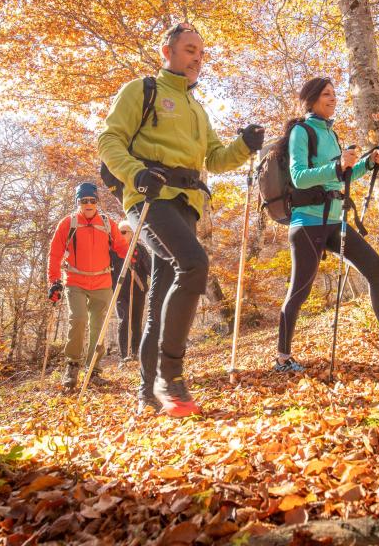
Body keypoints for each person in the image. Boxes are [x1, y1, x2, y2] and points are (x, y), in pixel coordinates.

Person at [98, 22, 264, 417]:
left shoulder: (197, 109)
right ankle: (170, 375)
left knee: (160, 298)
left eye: (201, 53)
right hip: (148, 198)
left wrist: (244, 145)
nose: (197, 58)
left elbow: (216, 159)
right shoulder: (142, 90)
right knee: (193, 264)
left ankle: (147, 393)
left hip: (187, 203)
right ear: (167, 51)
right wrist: (134, 172)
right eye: (190, 49)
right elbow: (109, 140)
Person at [277, 76, 379, 373]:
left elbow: (339, 178)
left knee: (376, 268)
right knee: (300, 290)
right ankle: (283, 358)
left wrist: (368, 163)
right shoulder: (302, 131)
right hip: (307, 221)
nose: (333, 98)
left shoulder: (331, 133)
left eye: (334, 94)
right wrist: (337, 165)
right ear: (311, 98)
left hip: (334, 220)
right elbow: (299, 176)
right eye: (326, 94)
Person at [47, 182, 129, 388]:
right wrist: (54, 281)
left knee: (98, 327)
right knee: (79, 319)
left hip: (102, 281)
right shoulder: (68, 223)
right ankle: (72, 365)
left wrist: (130, 252)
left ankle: (93, 369)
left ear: (97, 202)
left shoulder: (107, 223)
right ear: (78, 203)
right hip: (75, 280)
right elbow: (55, 254)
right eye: (84, 201)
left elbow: (121, 246)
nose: (89, 204)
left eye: (92, 200)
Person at [112, 219, 151, 364]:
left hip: (138, 290)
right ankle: (124, 356)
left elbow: (150, 268)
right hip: (119, 292)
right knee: (124, 320)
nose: (120, 235)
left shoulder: (140, 249)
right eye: (118, 232)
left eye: (123, 232)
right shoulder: (113, 249)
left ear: (131, 233)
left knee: (136, 322)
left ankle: (135, 352)